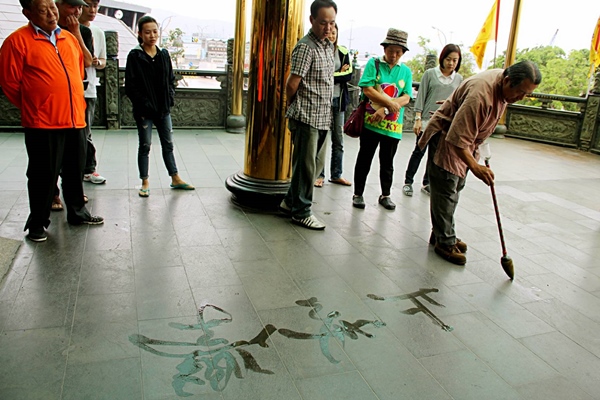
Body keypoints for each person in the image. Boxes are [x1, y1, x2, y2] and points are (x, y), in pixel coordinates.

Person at [418, 60, 541, 265]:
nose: (521, 98)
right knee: (446, 189)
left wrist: (481, 153)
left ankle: (441, 232)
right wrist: (475, 167)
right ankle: (444, 242)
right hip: (448, 139)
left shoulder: (502, 86)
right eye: (520, 92)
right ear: (508, 80)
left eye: (526, 95)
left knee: (456, 187)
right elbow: (457, 138)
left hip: (467, 141)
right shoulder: (480, 95)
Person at [0, 0, 104, 242]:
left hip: (75, 119)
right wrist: (37, 106)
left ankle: (78, 212)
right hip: (43, 123)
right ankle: (37, 223)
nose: (51, 14)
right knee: (42, 176)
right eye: (43, 10)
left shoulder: (69, 39)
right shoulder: (17, 41)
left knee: (74, 170)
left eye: (53, 8)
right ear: (28, 13)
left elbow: (78, 73)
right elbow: (9, 83)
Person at [279, 0, 337, 230]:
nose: (328, 27)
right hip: (306, 116)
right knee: (306, 167)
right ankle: (301, 211)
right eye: (323, 23)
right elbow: (292, 84)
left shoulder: (327, 45)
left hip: (323, 116)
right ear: (312, 20)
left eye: (332, 23)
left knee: (315, 164)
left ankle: (290, 202)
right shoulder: (306, 47)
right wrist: (293, 109)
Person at [125, 15, 194, 197]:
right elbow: (130, 86)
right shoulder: (135, 56)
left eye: (155, 31)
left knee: (168, 144)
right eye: (147, 32)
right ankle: (145, 181)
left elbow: (171, 80)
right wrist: (145, 104)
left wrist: (169, 98)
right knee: (145, 145)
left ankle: (175, 177)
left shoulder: (163, 54)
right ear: (140, 34)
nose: (152, 35)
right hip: (144, 111)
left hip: (163, 109)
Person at [352, 28, 413, 211]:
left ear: (402, 52)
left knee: (388, 162)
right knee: (365, 158)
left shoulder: (406, 72)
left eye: (398, 52)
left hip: (392, 126)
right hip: (371, 122)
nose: (394, 55)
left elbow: (406, 97)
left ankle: (385, 195)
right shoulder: (374, 64)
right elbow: (367, 88)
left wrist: (385, 109)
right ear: (384, 48)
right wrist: (388, 102)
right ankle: (358, 194)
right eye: (390, 50)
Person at [403, 44, 463, 197]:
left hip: (444, 124)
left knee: (435, 155)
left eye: (455, 60)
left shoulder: (458, 79)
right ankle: (408, 182)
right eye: (448, 59)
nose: (451, 63)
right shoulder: (430, 74)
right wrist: (417, 118)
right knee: (419, 151)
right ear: (442, 58)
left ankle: (427, 182)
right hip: (426, 121)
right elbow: (421, 97)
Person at [52, 0, 95, 211]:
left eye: (80, 7)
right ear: (58, 5)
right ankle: (52, 195)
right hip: (50, 108)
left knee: (77, 152)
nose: (77, 11)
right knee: (51, 156)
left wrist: (77, 32)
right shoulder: (48, 32)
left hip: (77, 102)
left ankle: (75, 199)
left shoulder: (83, 32)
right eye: (72, 7)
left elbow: (88, 61)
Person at [314, 23, 352, 188]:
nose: (332, 35)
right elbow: (320, 75)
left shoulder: (342, 51)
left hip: (338, 99)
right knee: (321, 138)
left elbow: (348, 75)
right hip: (322, 101)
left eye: (335, 33)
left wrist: (331, 75)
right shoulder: (320, 50)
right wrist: (337, 74)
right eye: (330, 33)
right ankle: (319, 174)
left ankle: (336, 174)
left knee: (338, 139)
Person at [79, 0, 107, 185]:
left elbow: (104, 62)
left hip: (88, 88)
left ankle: (89, 169)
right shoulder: (65, 30)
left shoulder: (98, 32)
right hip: (70, 88)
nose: (93, 10)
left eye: (96, 6)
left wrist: (97, 62)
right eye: (88, 5)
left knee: (85, 131)